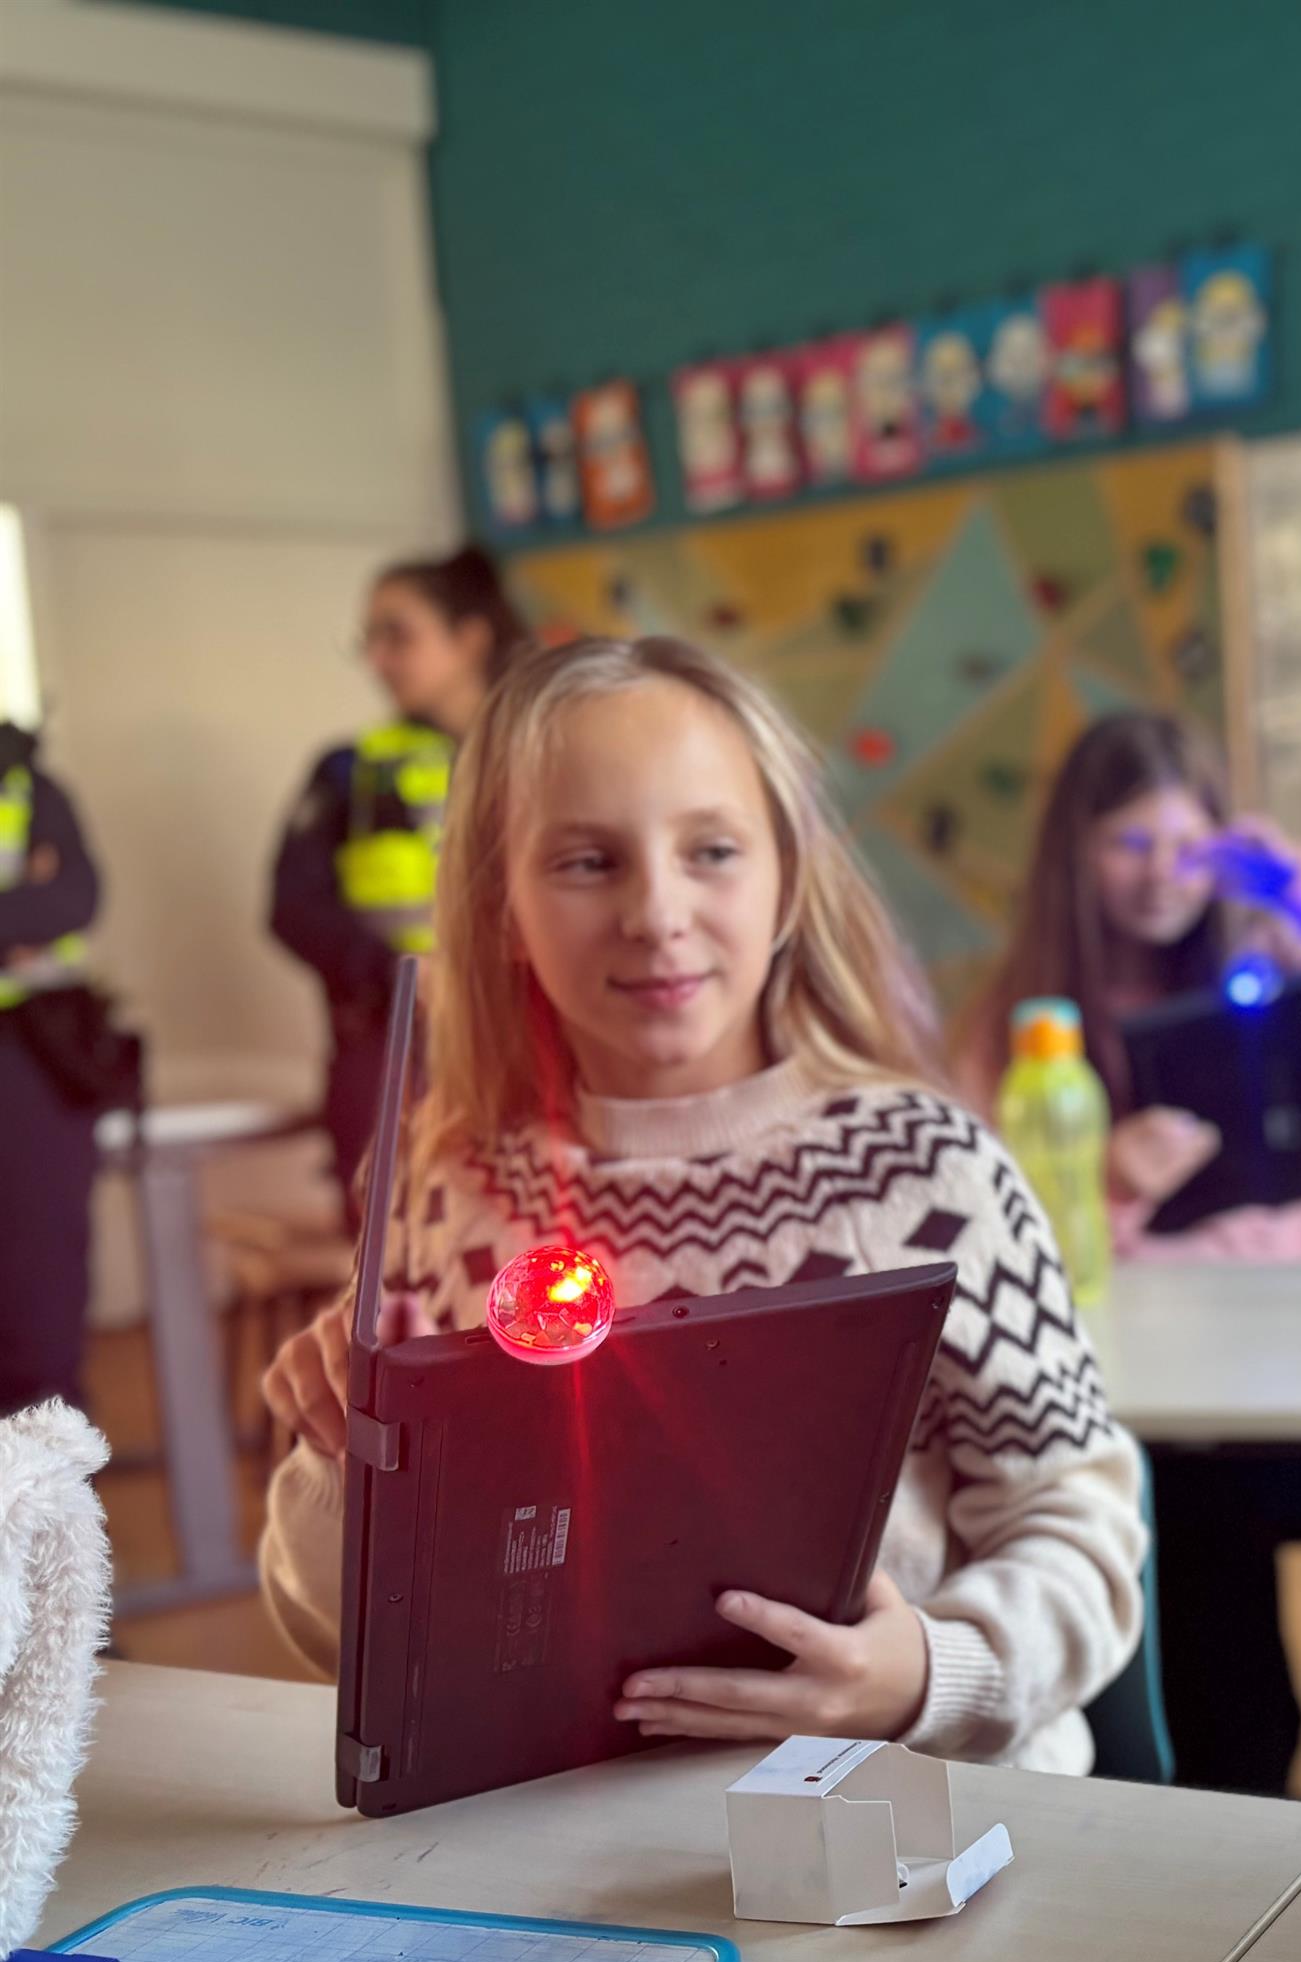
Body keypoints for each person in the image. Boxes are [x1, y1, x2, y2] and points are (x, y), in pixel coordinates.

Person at [256, 637, 1145, 1772]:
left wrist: (924, 1671)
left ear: (787, 880)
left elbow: (1079, 1528)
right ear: (499, 903)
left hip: (910, 1824)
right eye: (586, 863)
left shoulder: (930, 1174)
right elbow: (342, 1628)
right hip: (570, 1840)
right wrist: (342, 1452)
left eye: (712, 851)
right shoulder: (442, 1188)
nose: (657, 912)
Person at [961, 709, 1301, 1792]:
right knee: (1199, 1583)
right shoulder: (1021, 1028)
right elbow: (983, 1230)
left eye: (1186, 844)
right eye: (1126, 843)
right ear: (1073, 854)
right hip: (1141, 1394)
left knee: (1235, 1569)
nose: (1161, 875)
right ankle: (1223, 1791)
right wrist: (1105, 1182)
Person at [269, 546, 528, 1215]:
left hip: (532, 1042)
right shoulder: (349, 772)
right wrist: (393, 970)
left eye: (398, 634)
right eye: (370, 639)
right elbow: (293, 909)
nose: (378, 659)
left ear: (469, 639)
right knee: (394, 1267)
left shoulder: (542, 754)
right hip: (391, 1051)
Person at [0, 724, 107, 1420]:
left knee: (38, 1320)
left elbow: (71, 899)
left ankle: (45, 1523)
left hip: (27, 1064)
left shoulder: (29, 788)